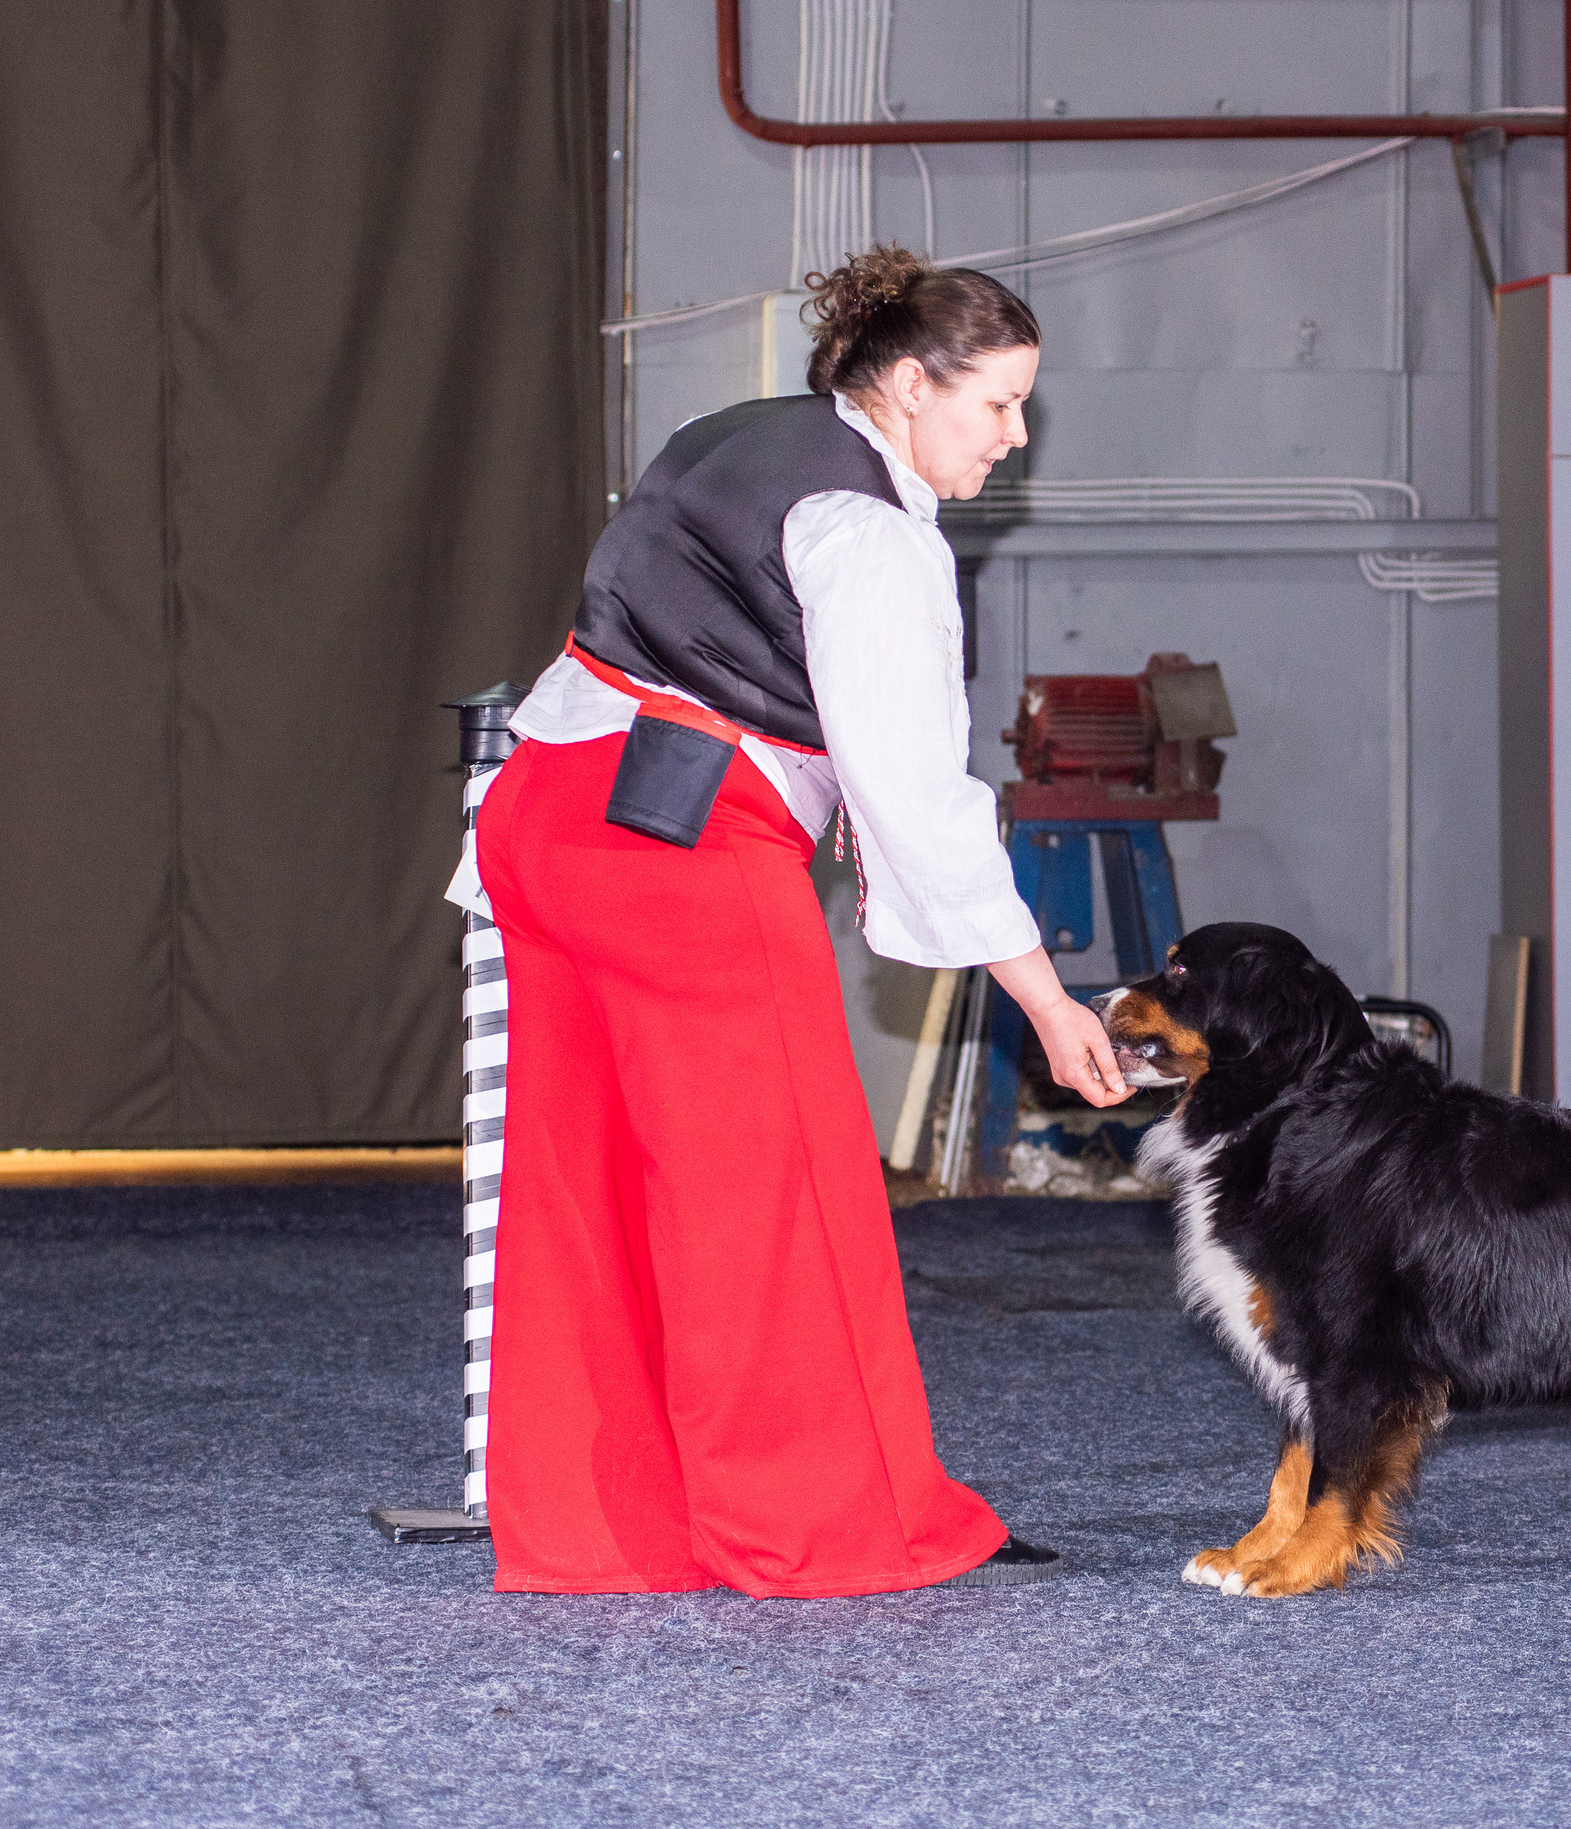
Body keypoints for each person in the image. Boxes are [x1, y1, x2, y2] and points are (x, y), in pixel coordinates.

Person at [459, 245, 1129, 1598]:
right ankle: (811, 1533)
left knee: (585, 1194)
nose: (1013, 438)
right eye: (993, 405)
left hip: (543, 810)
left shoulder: (738, 435)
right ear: (899, 384)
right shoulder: (870, 534)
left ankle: (603, 1534)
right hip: (678, 852)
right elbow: (917, 796)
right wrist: (1046, 999)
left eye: (1023, 408)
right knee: (777, 1204)